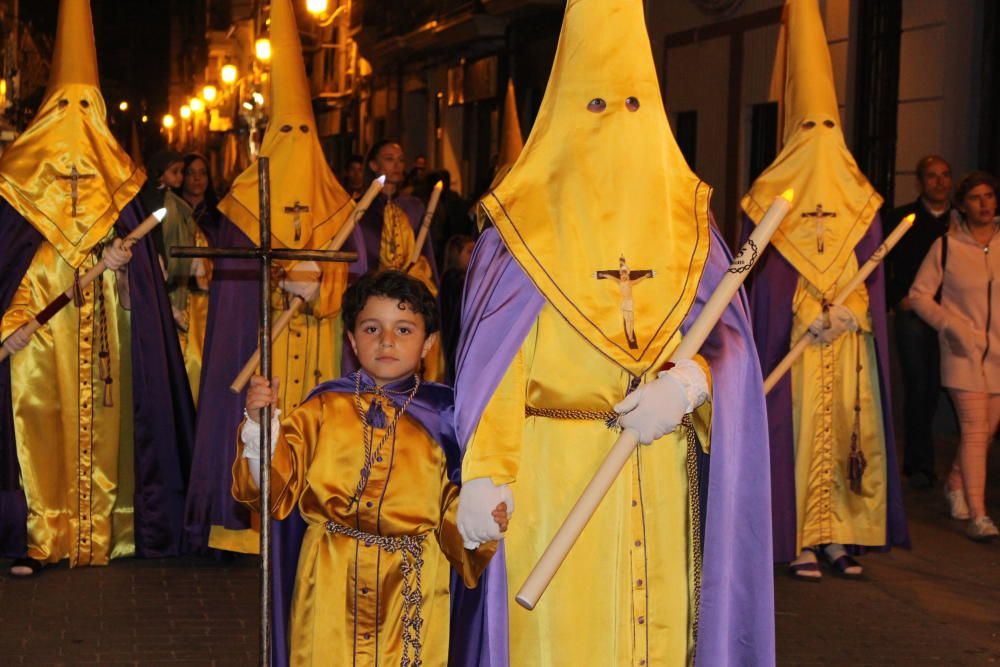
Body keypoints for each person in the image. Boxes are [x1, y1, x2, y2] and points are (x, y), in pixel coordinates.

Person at [450, 1, 774, 665]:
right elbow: (494, 367)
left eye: (631, 105)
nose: (614, 126)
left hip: (659, 472)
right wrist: (484, 474)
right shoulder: (517, 235)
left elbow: (729, 341)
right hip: (551, 474)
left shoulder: (691, 230)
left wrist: (692, 383)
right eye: (595, 106)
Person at [0, 0, 194, 576]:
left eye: (88, 106)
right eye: (66, 105)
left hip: (107, 342)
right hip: (36, 341)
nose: (77, 122)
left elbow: (147, 293)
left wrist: (123, 264)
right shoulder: (13, 190)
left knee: (109, 432)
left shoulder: (123, 189)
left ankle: (108, 529)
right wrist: (7, 327)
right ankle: (41, 532)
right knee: (38, 434)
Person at [237, 270, 506, 666]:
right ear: (351, 339)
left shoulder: (450, 419)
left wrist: (480, 521)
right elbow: (272, 489)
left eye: (403, 330)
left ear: (429, 342)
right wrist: (260, 429)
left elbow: (454, 505)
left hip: (412, 587)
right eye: (371, 328)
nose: (386, 341)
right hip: (330, 580)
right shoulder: (322, 409)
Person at [742, 0, 907, 582]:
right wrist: (803, 313)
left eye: (829, 127)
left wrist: (851, 314)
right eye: (810, 127)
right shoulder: (768, 202)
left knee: (846, 437)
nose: (820, 139)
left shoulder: (861, 200)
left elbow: (872, 269)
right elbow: (759, 284)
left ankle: (839, 537)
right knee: (797, 439)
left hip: (844, 347)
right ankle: (798, 540)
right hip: (795, 350)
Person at [183, 0, 355, 555]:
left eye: (305, 128)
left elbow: (361, 274)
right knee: (266, 420)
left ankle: (321, 505)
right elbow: (234, 284)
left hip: (323, 345)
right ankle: (252, 523)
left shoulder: (338, 202)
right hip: (267, 347)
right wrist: (281, 281)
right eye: (287, 128)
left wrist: (325, 286)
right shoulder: (241, 203)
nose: (297, 137)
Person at [909, 171, 1000, 542]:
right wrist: (951, 326)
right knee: (976, 431)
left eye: (990, 196)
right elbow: (918, 295)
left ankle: (955, 483)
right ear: (963, 205)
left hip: (997, 354)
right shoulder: (945, 246)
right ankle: (979, 514)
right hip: (963, 353)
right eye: (976, 198)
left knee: (987, 431)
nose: (984, 204)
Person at [885, 155, 954, 489]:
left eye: (944, 176)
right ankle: (919, 462)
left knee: (943, 388)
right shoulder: (903, 219)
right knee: (919, 387)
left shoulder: (958, 222)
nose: (939, 182)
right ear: (921, 182)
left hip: (951, 316)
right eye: (932, 176)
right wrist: (896, 298)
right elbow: (882, 261)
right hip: (913, 314)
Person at [349, 140, 441, 379]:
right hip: (373, 299)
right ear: (373, 164)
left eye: (400, 160)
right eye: (389, 159)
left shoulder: (413, 207)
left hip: (408, 300)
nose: (397, 165)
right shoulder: (360, 208)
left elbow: (425, 254)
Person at [168, 153, 220, 403]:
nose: (197, 179)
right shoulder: (173, 213)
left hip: (208, 303)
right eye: (191, 173)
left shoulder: (218, 217)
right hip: (181, 297)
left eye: (203, 173)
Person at [438, 234, 474, 382]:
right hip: (455, 338)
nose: (474, 256)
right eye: (469, 251)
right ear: (456, 254)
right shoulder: (453, 279)